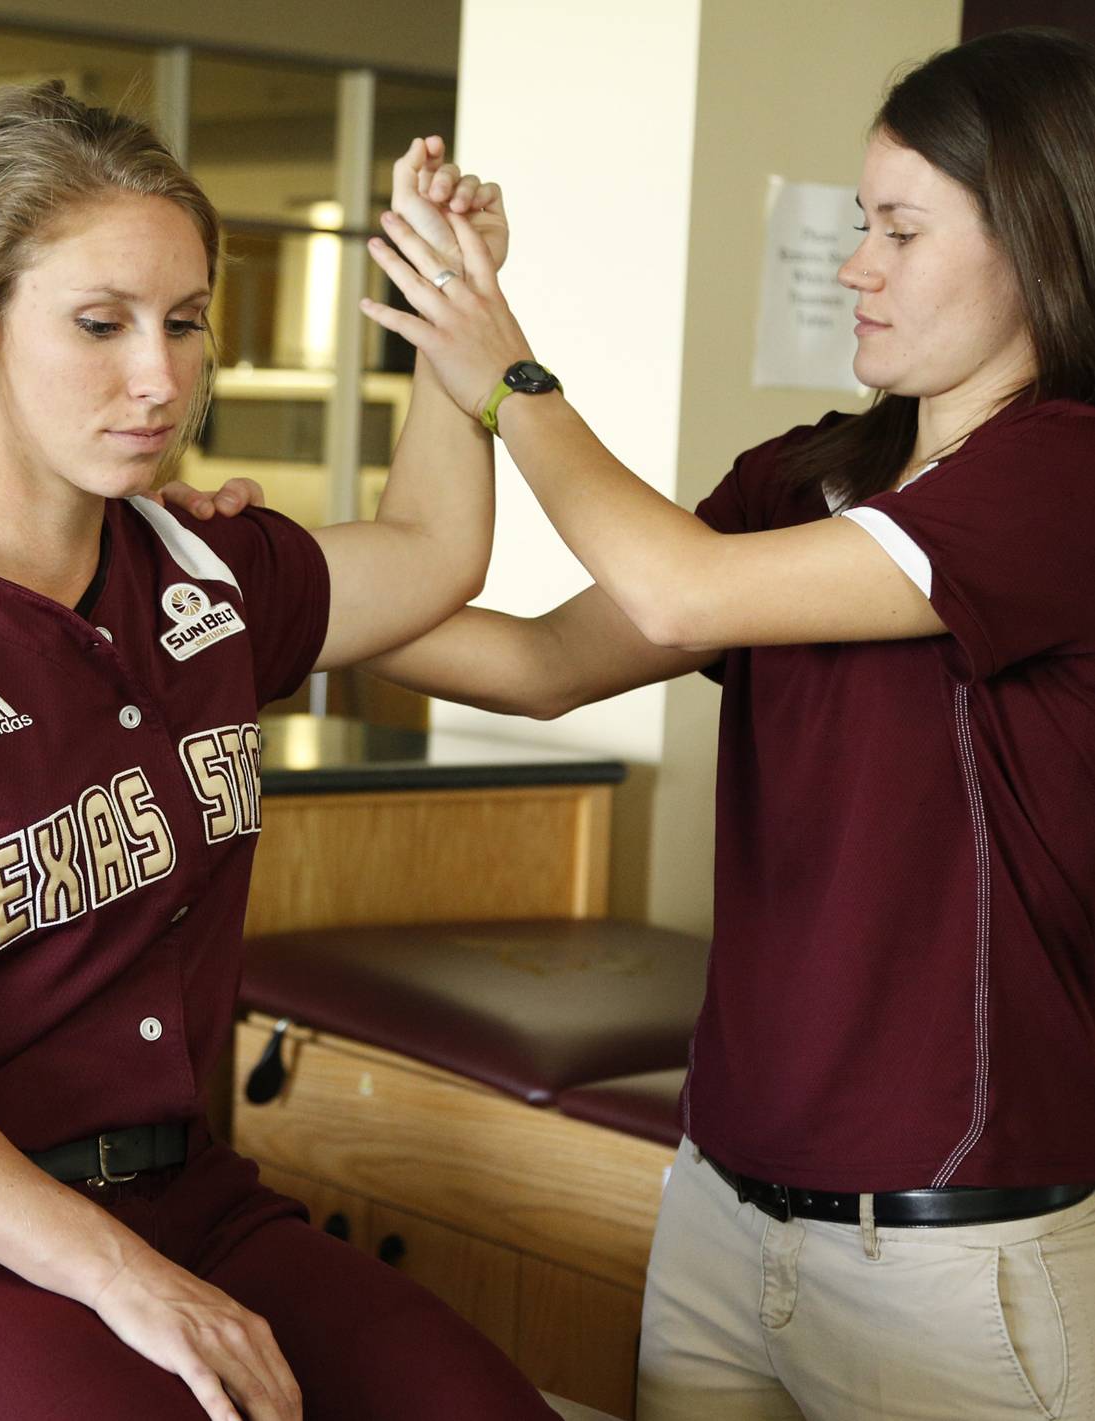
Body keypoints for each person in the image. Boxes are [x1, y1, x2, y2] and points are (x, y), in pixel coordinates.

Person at [176, 24, 1095, 1421]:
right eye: (860, 224)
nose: (858, 263)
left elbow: (671, 594)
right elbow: (536, 662)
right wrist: (232, 579)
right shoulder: (803, 479)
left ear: (1035, 236)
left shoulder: (1062, 480)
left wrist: (514, 374)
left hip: (952, 1254)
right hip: (724, 1212)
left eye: (900, 231)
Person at [0, 83, 562, 1421]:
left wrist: (458, 319)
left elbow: (438, 556)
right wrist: (121, 1281)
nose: (160, 375)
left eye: (186, 319)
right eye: (100, 324)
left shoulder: (209, 574)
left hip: (187, 1196)